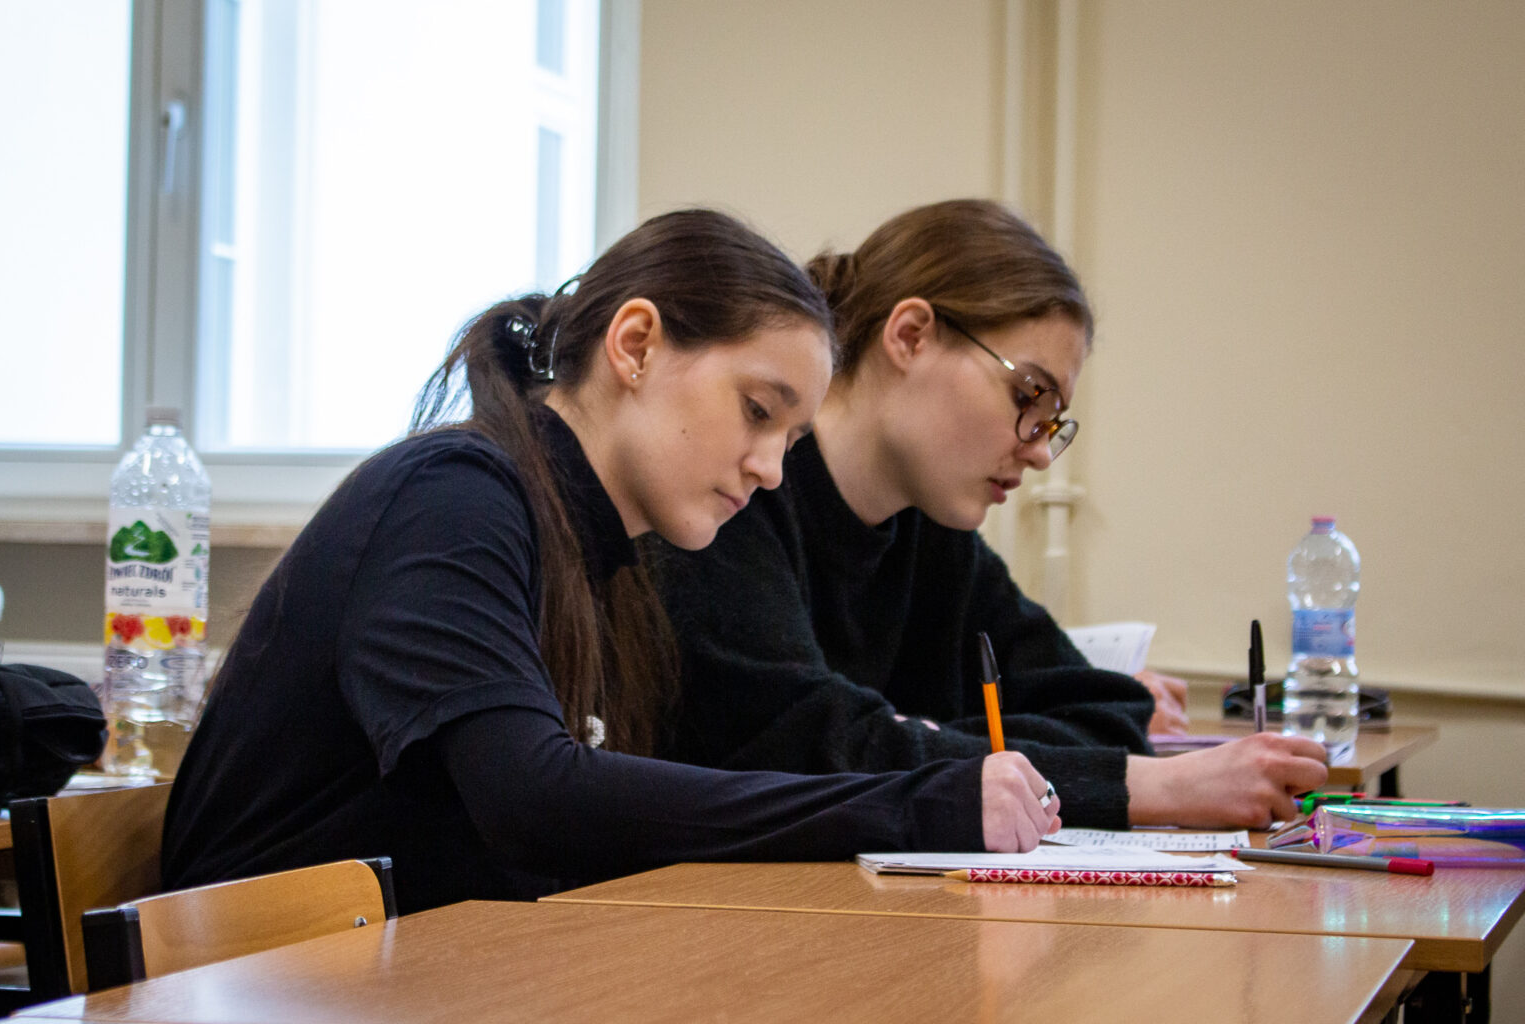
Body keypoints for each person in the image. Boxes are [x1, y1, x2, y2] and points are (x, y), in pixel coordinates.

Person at [161, 209, 1060, 914]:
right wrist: (911, 806)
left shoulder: (610, 559)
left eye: (791, 438)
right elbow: (536, 800)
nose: (771, 470)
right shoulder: (454, 497)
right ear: (635, 345)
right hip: (261, 986)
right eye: (757, 411)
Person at [648, 200, 1327, 830]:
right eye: (1029, 395)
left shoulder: (933, 534)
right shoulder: (735, 494)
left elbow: (1109, 715)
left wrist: (921, 741)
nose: (1040, 452)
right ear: (911, 336)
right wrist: (1147, 787)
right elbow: (802, 746)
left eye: (1054, 422)